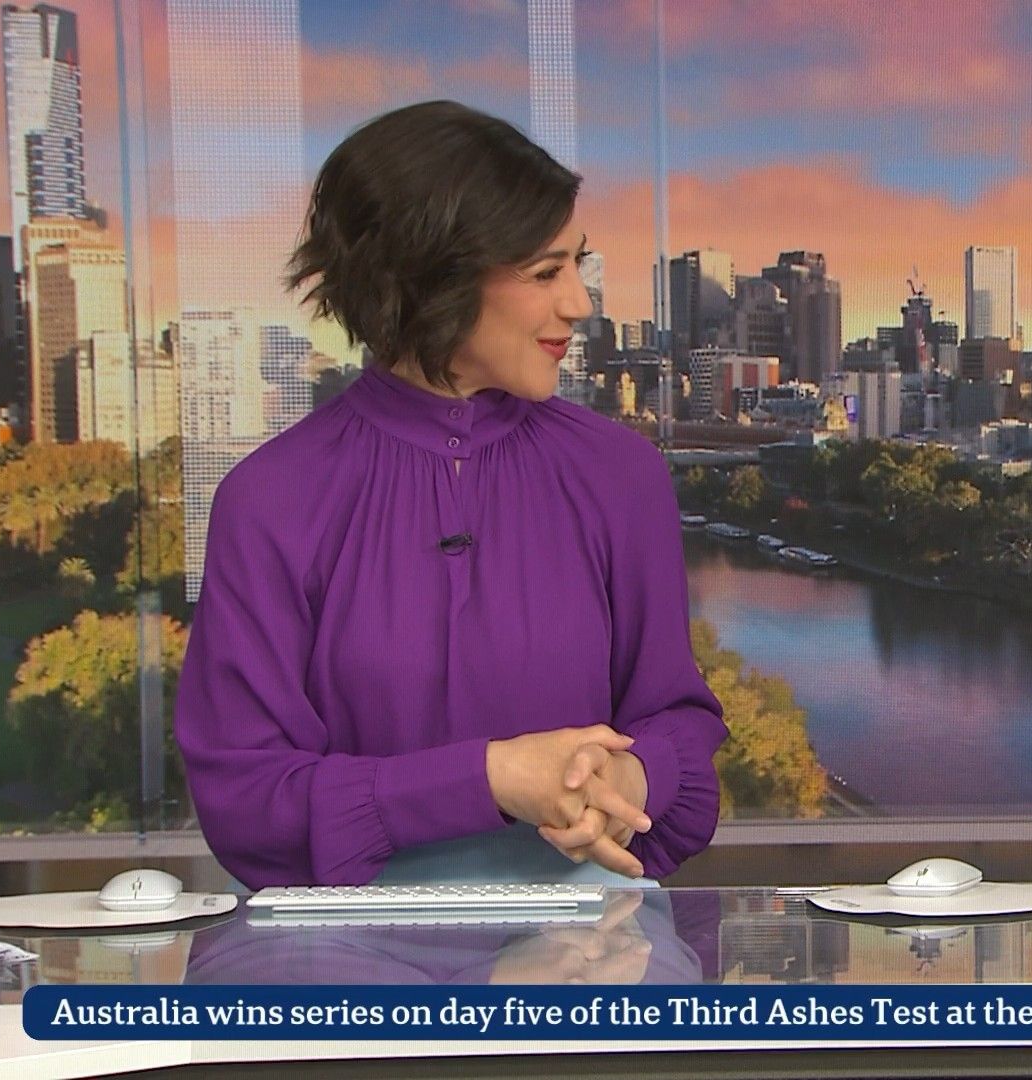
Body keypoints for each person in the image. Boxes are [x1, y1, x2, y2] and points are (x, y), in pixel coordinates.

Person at [174, 101, 726, 889]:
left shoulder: (621, 474)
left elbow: (678, 731)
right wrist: (489, 779)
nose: (580, 304)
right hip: (348, 952)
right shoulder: (269, 502)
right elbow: (247, 804)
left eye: (579, 265)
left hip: (588, 944)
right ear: (433, 275)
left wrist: (631, 783)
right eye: (546, 273)